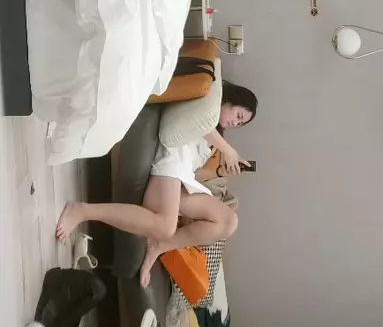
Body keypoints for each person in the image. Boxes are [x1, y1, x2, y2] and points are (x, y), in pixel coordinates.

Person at [56, 80, 258, 287]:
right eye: (238, 116)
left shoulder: (216, 138)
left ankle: (160, 246)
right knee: (165, 226)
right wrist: (228, 150)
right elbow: (199, 122)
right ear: (229, 100)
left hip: (183, 177)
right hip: (172, 161)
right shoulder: (207, 103)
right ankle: (82, 211)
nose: (236, 123)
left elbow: (194, 173)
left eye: (240, 123)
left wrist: (218, 172)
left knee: (229, 222)